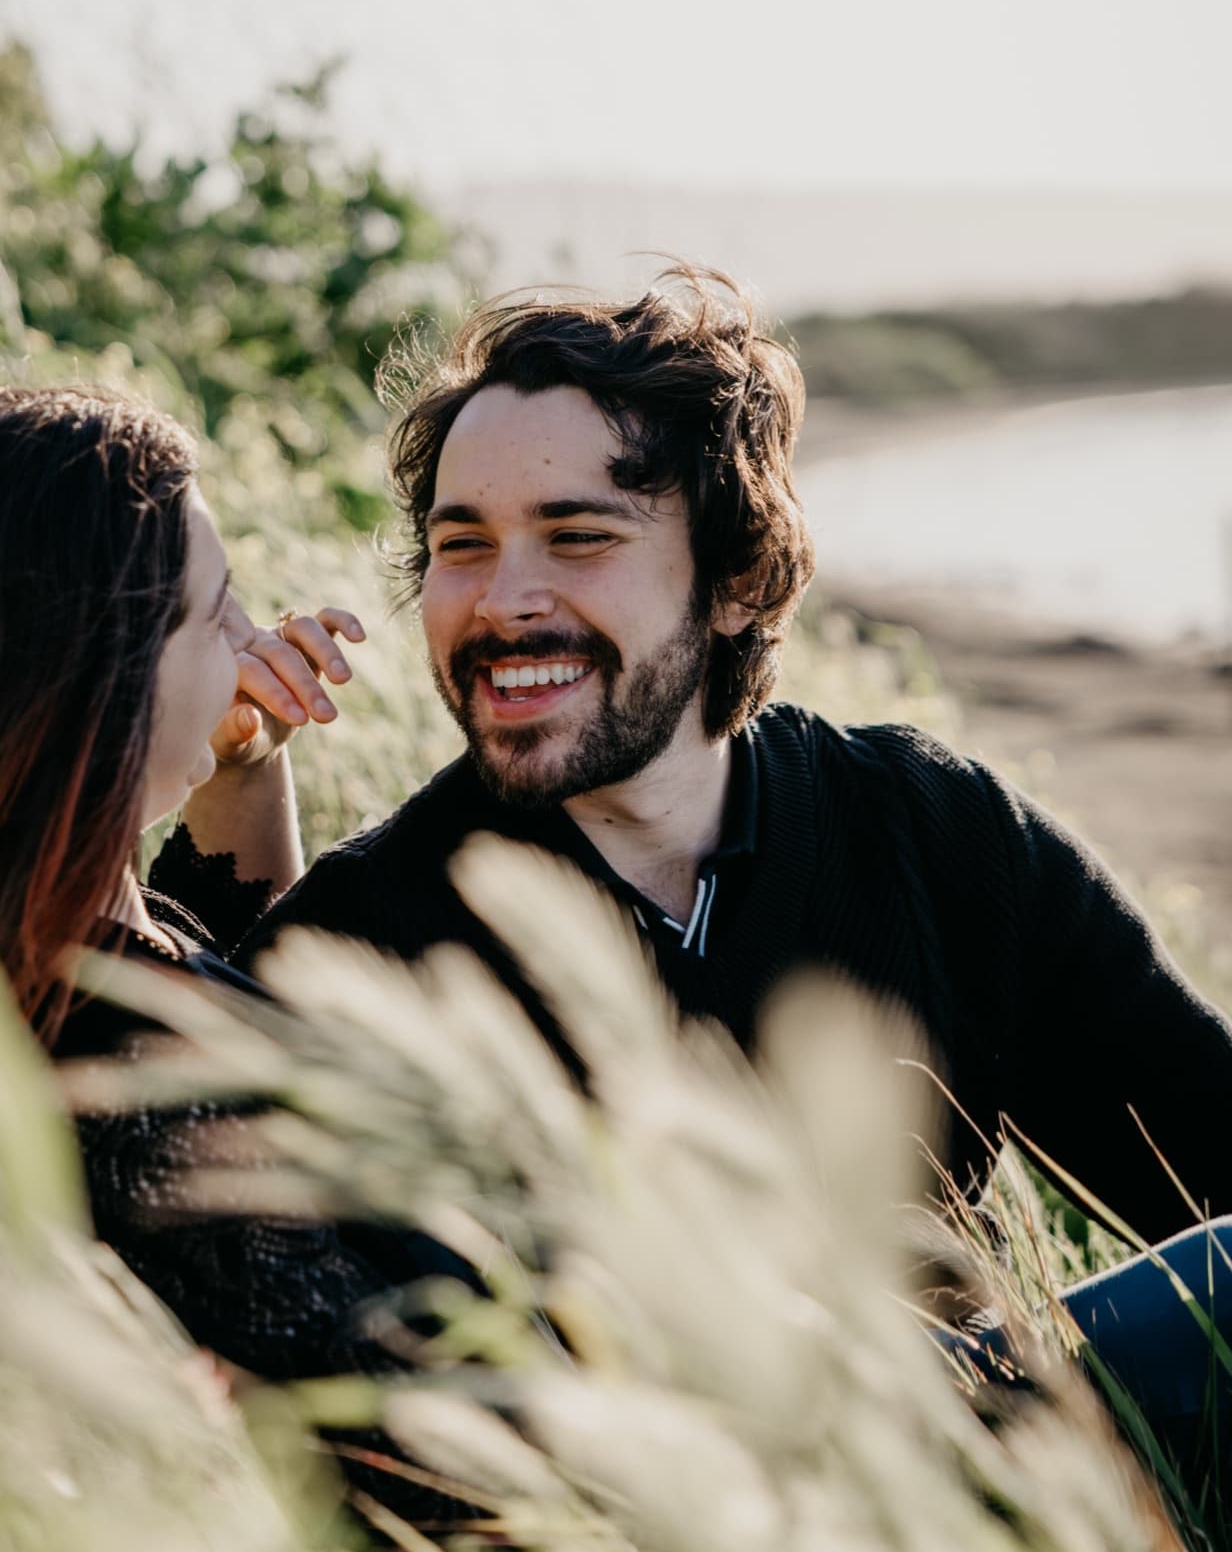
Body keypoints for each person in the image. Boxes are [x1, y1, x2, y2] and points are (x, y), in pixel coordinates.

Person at [204, 267, 1232, 1469]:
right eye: (460, 546)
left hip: (1015, 1480)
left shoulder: (930, 832)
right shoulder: (367, 936)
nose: (502, 599)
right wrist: (237, 778)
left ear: (738, 581)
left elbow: (1201, 1154)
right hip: (659, 1548)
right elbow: (174, 1157)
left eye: (578, 536)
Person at [0, 382, 455, 1384]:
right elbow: (406, 1435)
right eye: (213, 611)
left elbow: (217, 964)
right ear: (96, 677)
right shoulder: (145, 1121)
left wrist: (241, 762)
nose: (250, 643)